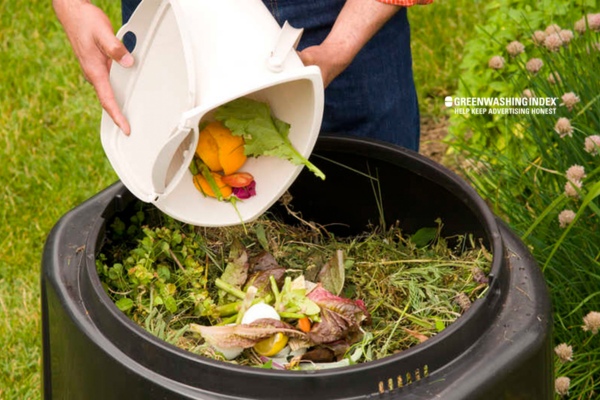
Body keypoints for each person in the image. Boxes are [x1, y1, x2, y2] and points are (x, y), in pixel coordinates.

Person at [53, 0, 432, 151]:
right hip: (177, 13)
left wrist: (337, 50)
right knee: (192, 210)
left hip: (333, 11)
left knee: (378, 213)